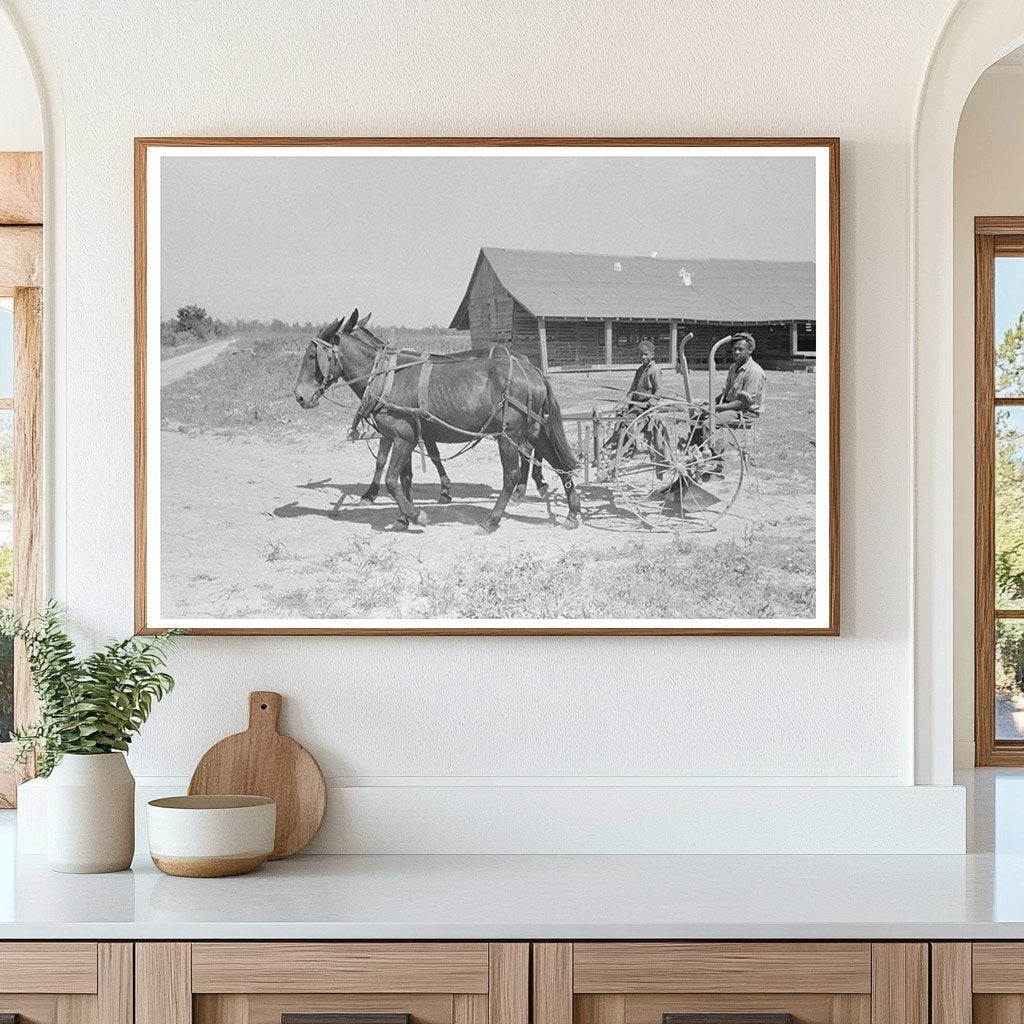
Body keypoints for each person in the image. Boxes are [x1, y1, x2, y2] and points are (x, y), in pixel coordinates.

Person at [605, 340, 662, 453]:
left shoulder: (654, 370)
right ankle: (625, 443)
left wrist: (651, 402)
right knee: (620, 415)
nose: (643, 357)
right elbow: (632, 389)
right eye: (641, 354)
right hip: (636, 402)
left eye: (646, 354)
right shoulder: (640, 370)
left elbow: (658, 391)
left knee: (627, 419)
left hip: (645, 405)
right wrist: (626, 401)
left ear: (652, 355)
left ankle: (630, 446)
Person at [712, 332, 765, 427]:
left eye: (740, 349)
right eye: (734, 349)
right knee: (697, 417)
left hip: (744, 412)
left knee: (708, 423)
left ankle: (713, 442)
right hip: (730, 407)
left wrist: (718, 408)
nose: (736, 352)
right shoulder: (733, 367)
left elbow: (743, 403)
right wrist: (710, 402)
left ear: (750, 350)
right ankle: (696, 442)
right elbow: (727, 393)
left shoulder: (754, 372)